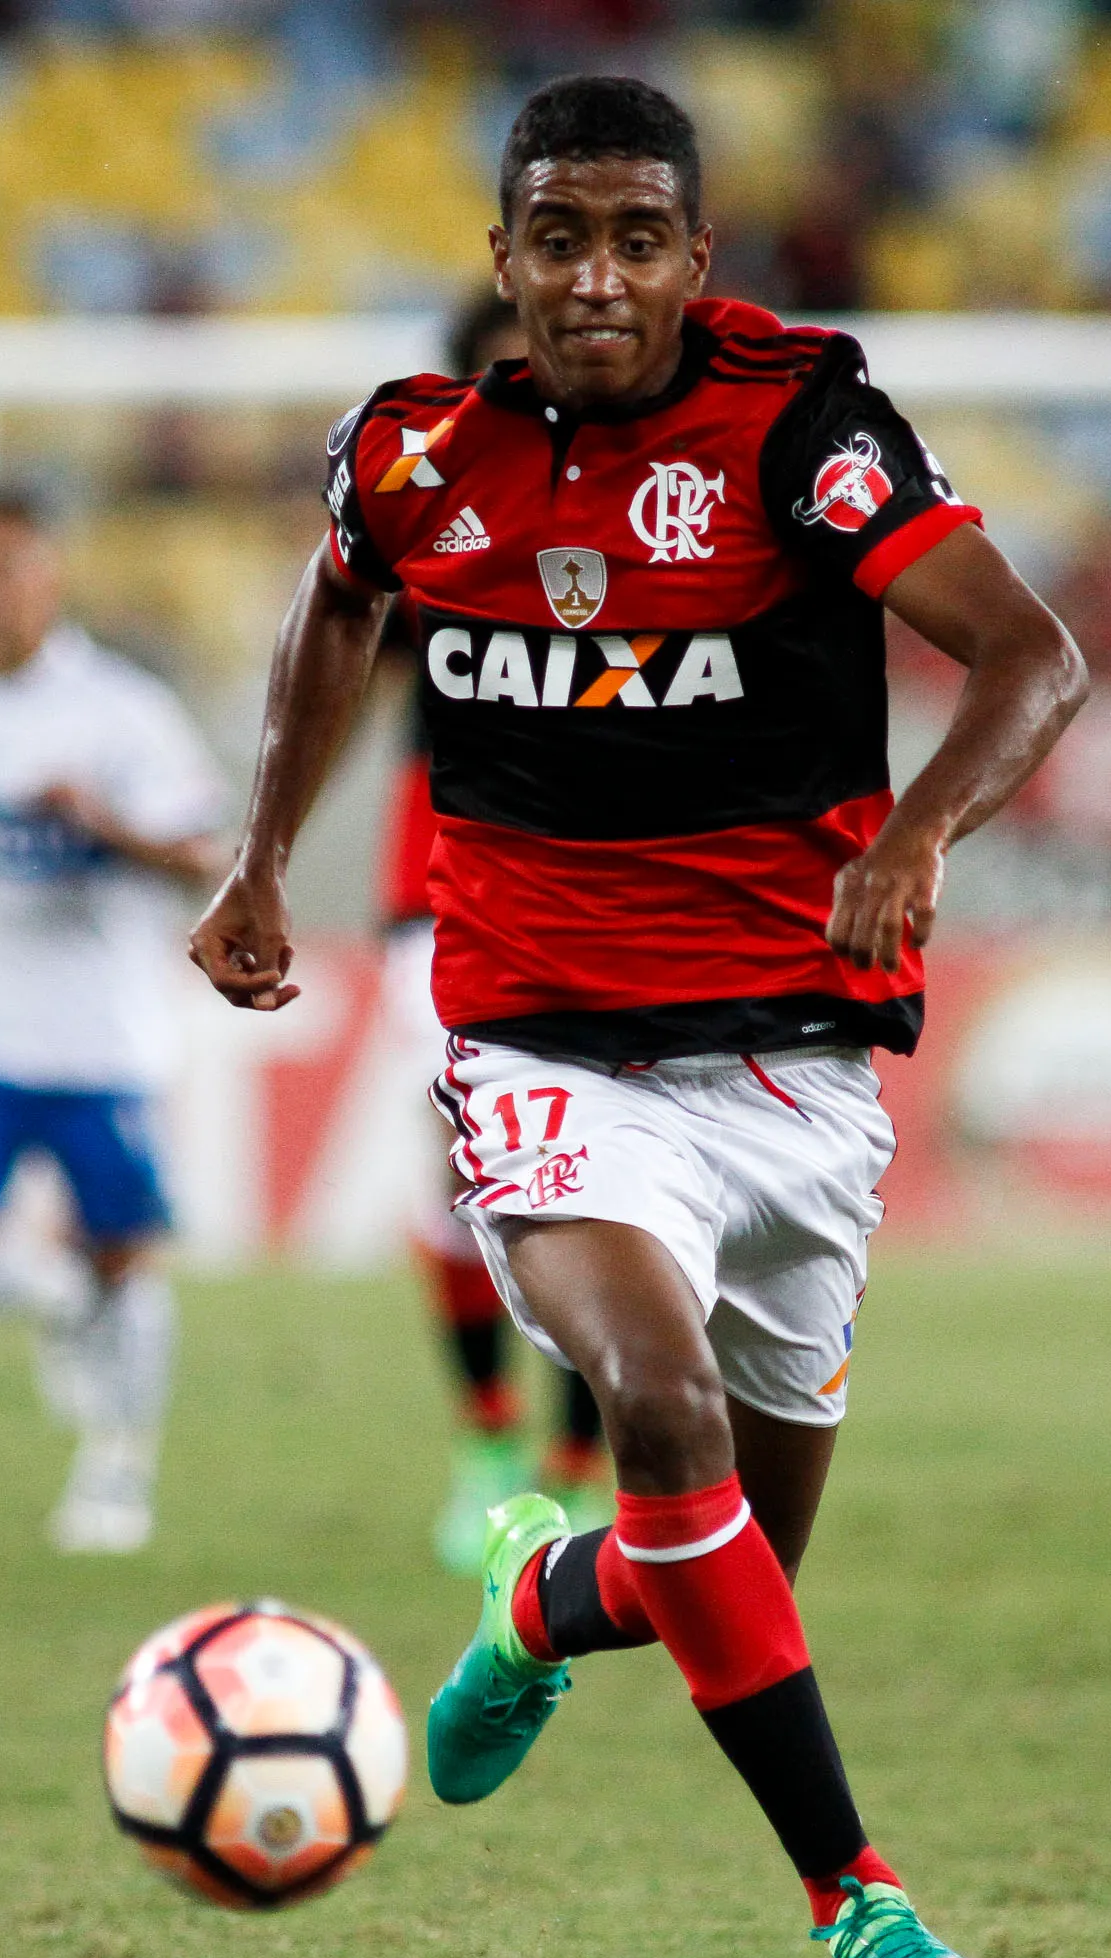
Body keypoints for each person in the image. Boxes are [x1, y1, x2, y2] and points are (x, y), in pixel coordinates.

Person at [189, 76, 1086, 1958]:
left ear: (696, 256)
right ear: (501, 259)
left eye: (635, 240)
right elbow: (333, 610)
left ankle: (535, 1597)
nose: (595, 278)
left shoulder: (797, 428)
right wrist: (261, 854)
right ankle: (862, 1902)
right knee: (658, 1414)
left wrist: (920, 834)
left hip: (796, 1064)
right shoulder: (416, 451)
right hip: (547, 1050)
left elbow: (1034, 654)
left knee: (734, 1557)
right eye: (558, 239)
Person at [0, 482, 226, 1555]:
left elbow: (204, 853)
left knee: (126, 1258)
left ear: (51, 571)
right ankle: (59, 1302)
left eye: (10, 562)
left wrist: (104, 825)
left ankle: (118, 1470)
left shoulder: (121, 709)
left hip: (99, 1039)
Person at [382, 288, 614, 1572]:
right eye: (499, 369)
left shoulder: (649, 509)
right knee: (457, 1169)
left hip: (593, 884)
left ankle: (578, 1464)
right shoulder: (420, 513)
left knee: (592, 1174)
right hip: (435, 883)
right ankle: (485, 1441)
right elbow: (337, 652)